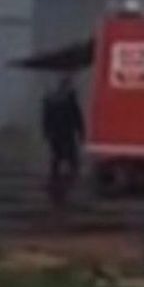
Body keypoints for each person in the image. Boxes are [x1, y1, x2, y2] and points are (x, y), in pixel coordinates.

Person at [42, 74, 85, 208]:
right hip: (67, 134)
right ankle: (65, 184)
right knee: (72, 161)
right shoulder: (70, 99)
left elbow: (46, 118)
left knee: (57, 159)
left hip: (55, 135)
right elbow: (77, 118)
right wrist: (82, 133)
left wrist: (46, 132)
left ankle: (55, 184)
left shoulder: (50, 99)